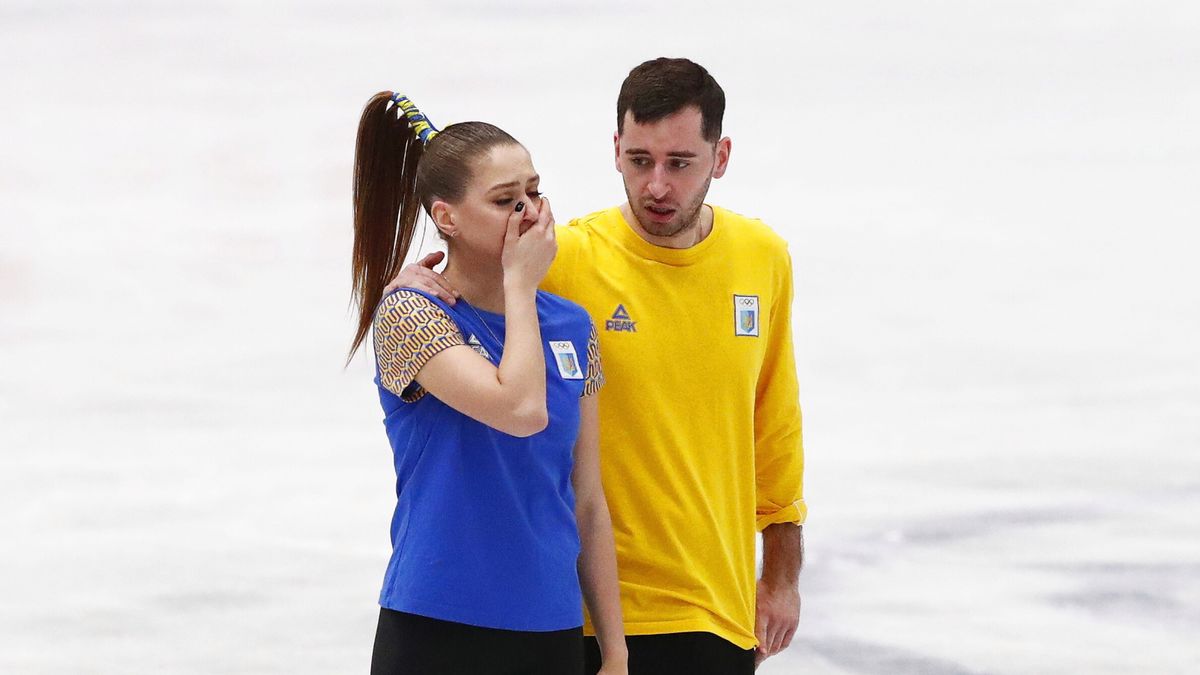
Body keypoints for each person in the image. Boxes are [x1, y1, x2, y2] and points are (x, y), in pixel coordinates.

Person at [389, 57, 806, 675]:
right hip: (583, 616)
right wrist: (415, 281)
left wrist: (782, 572)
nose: (657, 185)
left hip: (714, 608)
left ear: (719, 158)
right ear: (615, 151)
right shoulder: (566, 262)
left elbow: (774, 425)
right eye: (639, 161)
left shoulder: (762, 258)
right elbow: (480, 274)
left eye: (680, 163)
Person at [350, 91, 627, 675]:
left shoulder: (572, 327)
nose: (528, 211)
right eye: (506, 200)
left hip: (549, 627)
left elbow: (588, 501)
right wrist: (520, 286)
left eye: (534, 192)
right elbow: (520, 409)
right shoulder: (410, 315)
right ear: (446, 217)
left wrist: (615, 649)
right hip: (438, 625)